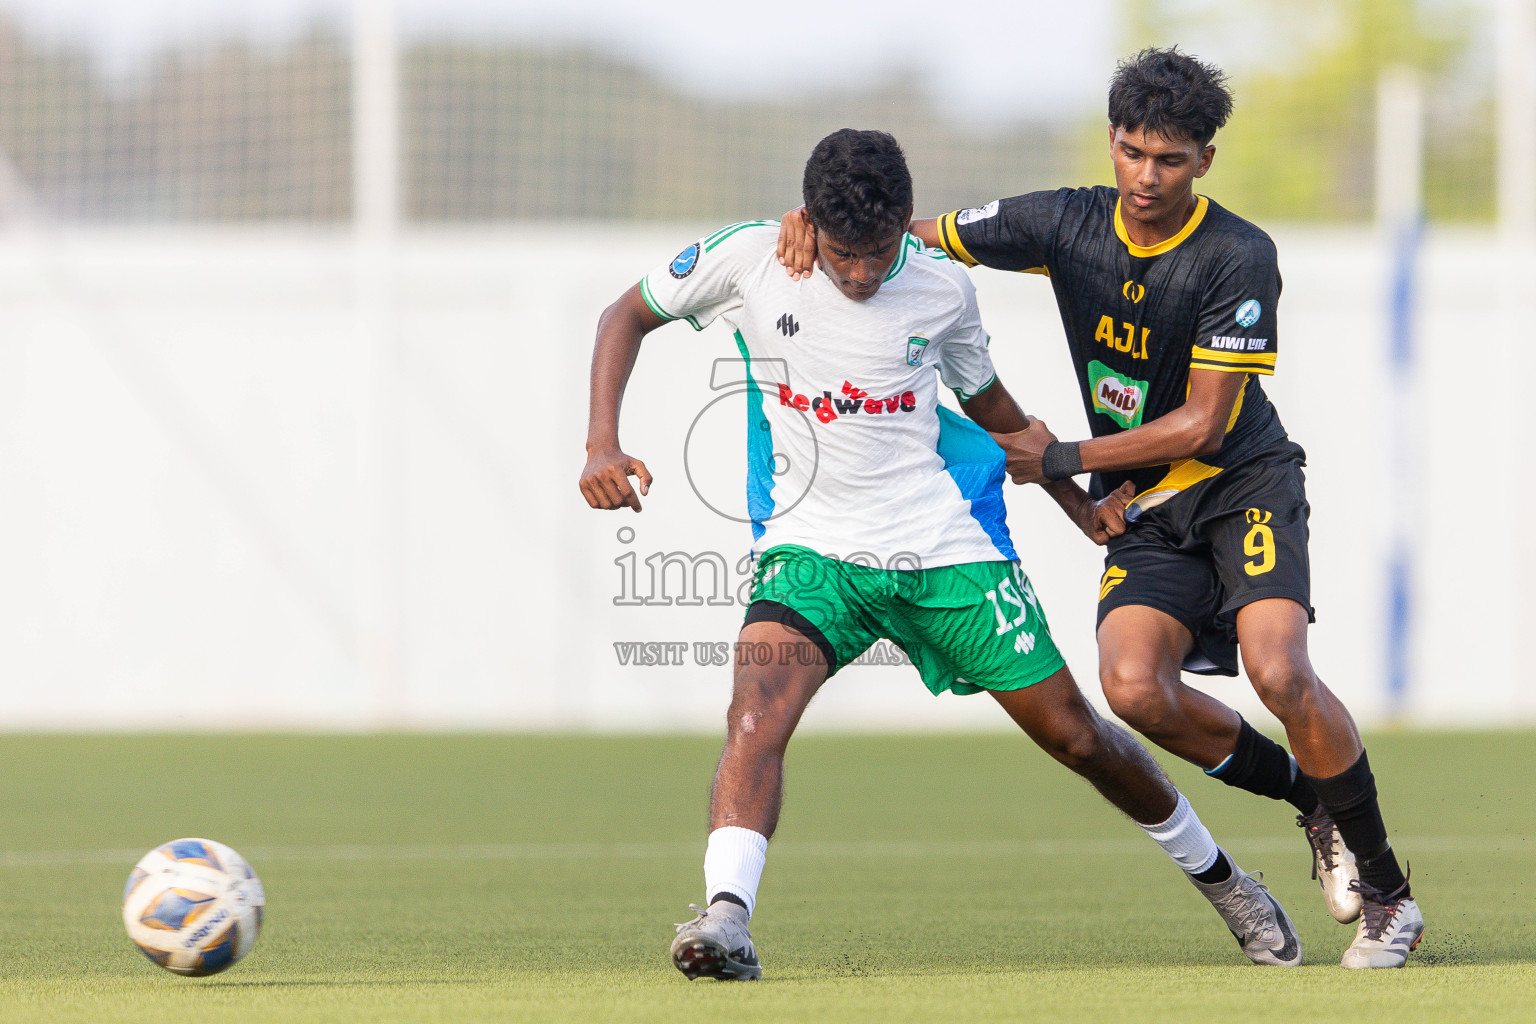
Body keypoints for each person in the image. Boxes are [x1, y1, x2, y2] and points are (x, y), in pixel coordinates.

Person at [582, 128, 1302, 981]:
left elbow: (991, 405)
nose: (857, 273)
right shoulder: (751, 259)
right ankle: (726, 918)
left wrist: (1076, 504)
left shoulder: (939, 290)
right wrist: (602, 443)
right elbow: (625, 313)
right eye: (843, 253)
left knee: (1078, 737)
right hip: (812, 554)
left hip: (945, 551)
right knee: (755, 713)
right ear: (810, 223)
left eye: (877, 252)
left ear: (902, 228)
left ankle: (1227, 883)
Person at [777, 49, 1423, 969]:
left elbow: (1205, 420)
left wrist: (1063, 461)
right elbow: (901, 234)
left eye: (1170, 158)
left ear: (1204, 159)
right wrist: (807, 225)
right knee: (1130, 690)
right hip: (1145, 505)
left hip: (1241, 483)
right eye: (1131, 152)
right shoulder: (1065, 221)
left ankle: (1390, 896)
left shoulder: (1239, 255)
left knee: (1279, 673)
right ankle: (1310, 799)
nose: (1146, 176)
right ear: (1111, 142)